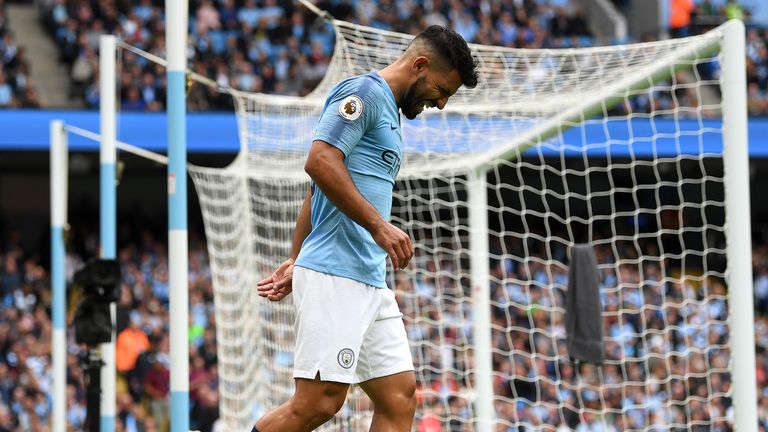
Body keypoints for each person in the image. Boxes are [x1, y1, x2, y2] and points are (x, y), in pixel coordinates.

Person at [253, 25, 478, 432]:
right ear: (420, 65)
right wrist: (379, 227)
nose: (442, 103)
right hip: (337, 274)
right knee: (317, 404)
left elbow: (317, 189)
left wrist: (296, 259)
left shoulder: (390, 114)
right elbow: (320, 162)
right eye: (442, 90)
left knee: (399, 397)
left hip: (369, 279)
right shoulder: (364, 94)